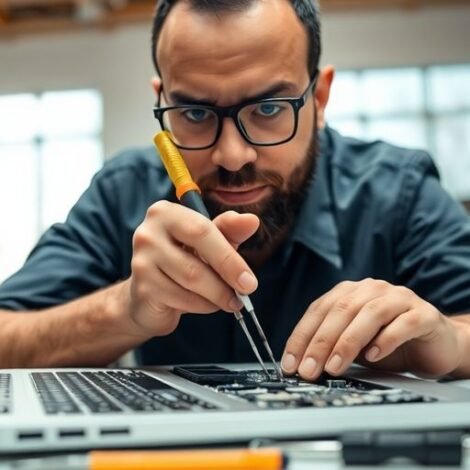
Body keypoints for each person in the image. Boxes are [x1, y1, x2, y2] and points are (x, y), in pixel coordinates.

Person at [1, 0, 470, 380]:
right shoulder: (122, 193)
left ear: (320, 98)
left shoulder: (397, 191)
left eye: (268, 108)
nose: (232, 155)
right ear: (161, 100)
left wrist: (448, 343)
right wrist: (124, 309)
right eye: (196, 113)